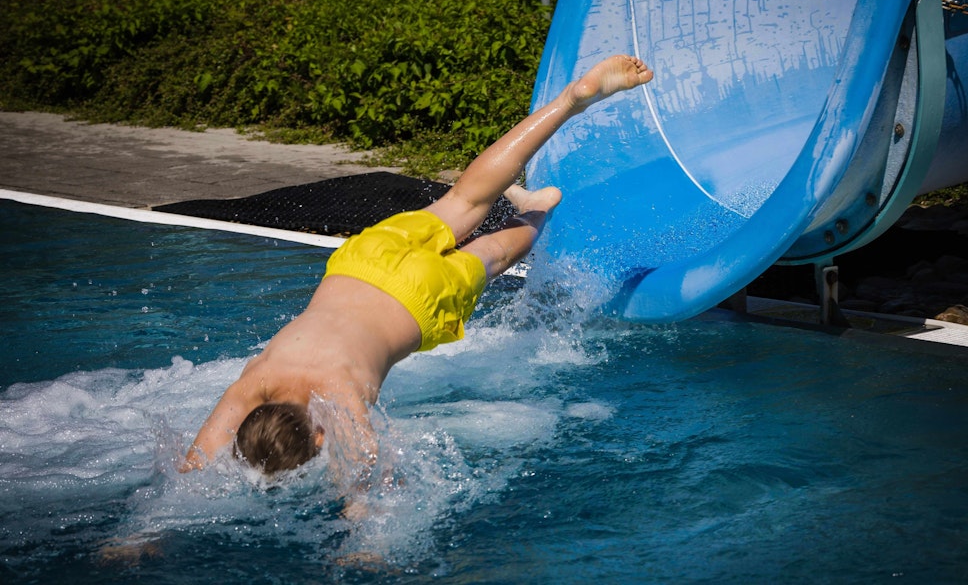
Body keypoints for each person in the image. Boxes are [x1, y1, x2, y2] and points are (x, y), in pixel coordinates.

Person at [180, 55, 654, 482]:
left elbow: (365, 476)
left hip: (419, 298)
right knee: (464, 196)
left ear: (319, 438)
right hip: (362, 261)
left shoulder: (338, 400)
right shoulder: (254, 382)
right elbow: (194, 457)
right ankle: (571, 101)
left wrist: (361, 531)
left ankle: (538, 209)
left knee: (498, 254)